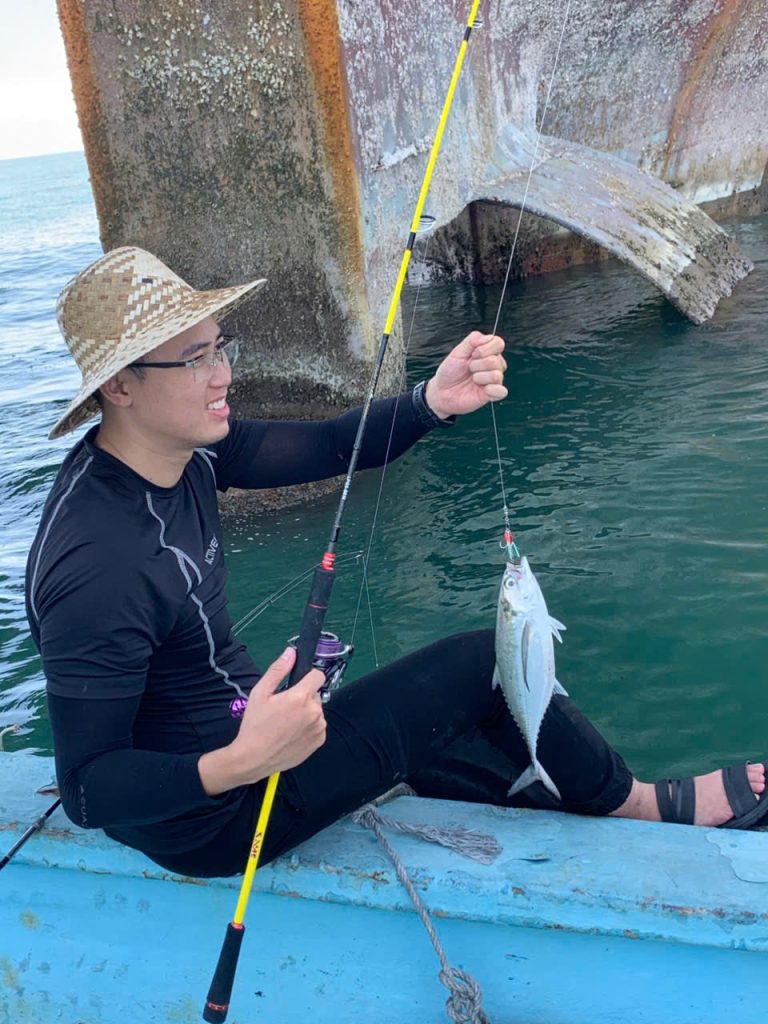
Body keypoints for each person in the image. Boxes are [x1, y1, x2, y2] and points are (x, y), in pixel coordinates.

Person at [25, 246, 768, 879]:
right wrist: (242, 761)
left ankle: (567, 807)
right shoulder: (98, 565)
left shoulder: (185, 454)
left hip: (257, 730)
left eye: (220, 347)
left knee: (452, 725)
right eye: (194, 360)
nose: (221, 375)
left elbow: (328, 447)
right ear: (119, 386)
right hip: (217, 817)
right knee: (482, 663)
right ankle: (643, 805)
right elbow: (88, 791)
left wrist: (432, 401)